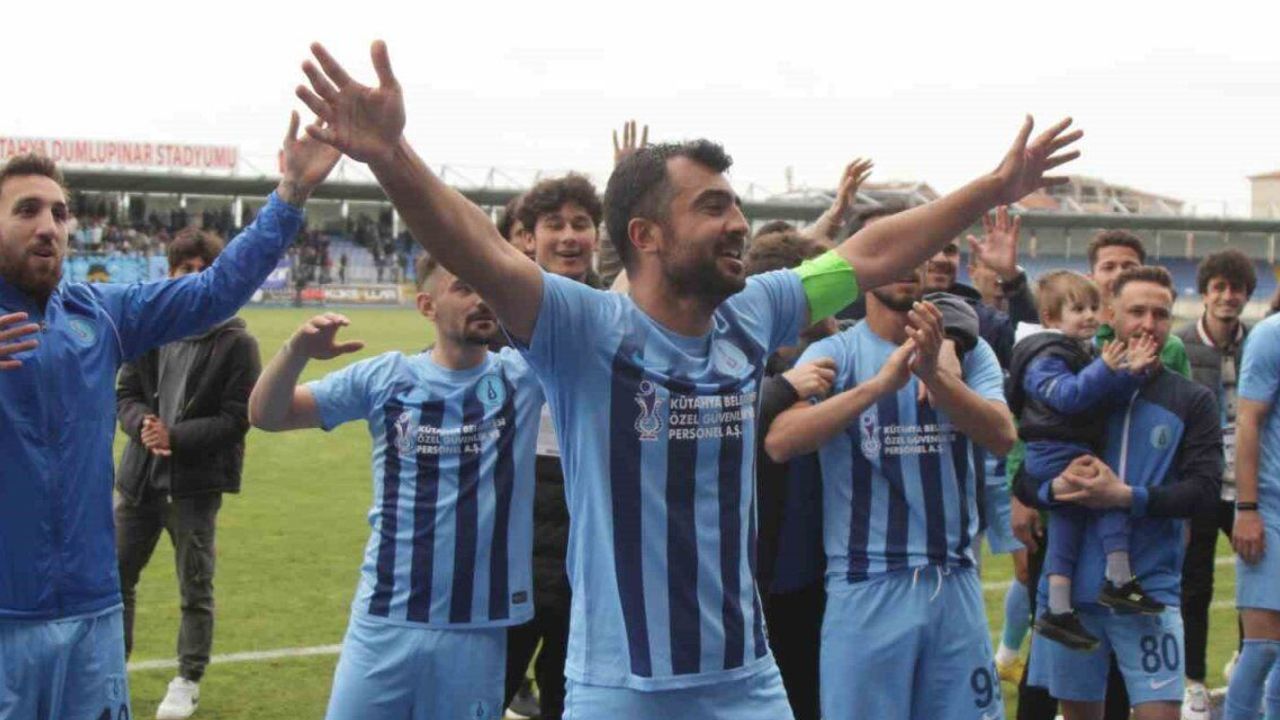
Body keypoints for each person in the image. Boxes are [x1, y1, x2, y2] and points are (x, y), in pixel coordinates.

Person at [294, 39, 1081, 718]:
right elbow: (480, 250)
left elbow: (870, 252)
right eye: (712, 207)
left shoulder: (753, 311)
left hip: (746, 679)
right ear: (646, 235)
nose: (738, 223)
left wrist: (992, 187)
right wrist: (391, 154)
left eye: (736, 206)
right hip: (619, 688)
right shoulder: (584, 330)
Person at [0, 112, 337, 720]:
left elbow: (214, 290)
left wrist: (290, 194)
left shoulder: (100, 313)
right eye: (27, 210)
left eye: (59, 213)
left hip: (92, 611)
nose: (48, 225)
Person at [249, 255, 545, 720]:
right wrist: (296, 351)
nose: (481, 298)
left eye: (486, 285)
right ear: (427, 306)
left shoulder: (521, 377)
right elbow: (267, 415)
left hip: (478, 625)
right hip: (385, 620)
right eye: (464, 287)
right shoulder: (387, 378)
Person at [765, 260, 1016, 720]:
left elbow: (1002, 436)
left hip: (954, 579)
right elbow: (781, 441)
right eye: (896, 256)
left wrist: (937, 377)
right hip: (866, 582)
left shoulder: (967, 350)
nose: (908, 266)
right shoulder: (836, 351)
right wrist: (879, 386)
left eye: (918, 256)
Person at [1021, 267, 1222, 720]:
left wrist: (1126, 496)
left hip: (1148, 588)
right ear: (1110, 314)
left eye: (1161, 314)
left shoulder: (1191, 399)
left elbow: (1205, 491)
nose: (1148, 324)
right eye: (1137, 312)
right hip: (1072, 595)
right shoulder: (1077, 383)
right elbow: (1026, 475)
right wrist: (1054, 488)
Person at [114, 229, 262, 720]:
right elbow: (126, 393)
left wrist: (174, 436)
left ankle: (187, 679)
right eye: (185, 270)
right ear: (170, 274)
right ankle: (111, 669)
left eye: (204, 271)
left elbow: (237, 418)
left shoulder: (237, 343)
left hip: (195, 488)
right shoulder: (150, 330)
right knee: (115, 579)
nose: (194, 278)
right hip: (139, 481)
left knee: (195, 586)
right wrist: (144, 426)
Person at [1007, 271, 1160, 653]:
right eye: (1078, 309)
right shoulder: (1044, 355)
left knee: (1067, 527)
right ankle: (1119, 579)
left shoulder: (1080, 351)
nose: (1090, 316)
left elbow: (1103, 397)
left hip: (1062, 449)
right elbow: (1069, 397)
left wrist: (1132, 373)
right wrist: (1106, 368)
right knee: (1108, 499)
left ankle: (1058, 609)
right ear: (1050, 317)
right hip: (1054, 451)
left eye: (1094, 307)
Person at [501, 174, 604, 720]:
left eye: (580, 224)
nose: (568, 236)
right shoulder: (494, 313)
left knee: (571, 695)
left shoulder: (618, 315)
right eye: (554, 224)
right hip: (513, 530)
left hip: (589, 529)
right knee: (488, 684)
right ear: (527, 238)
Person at [746, 229, 839, 720]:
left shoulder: (839, 351)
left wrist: (955, 335)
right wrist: (783, 388)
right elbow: (715, 405)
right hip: (757, 580)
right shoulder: (735, 351)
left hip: (821, 578)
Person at [1176, 249, 1255, 719]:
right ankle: (1193, 681)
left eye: (1236, 288)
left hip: (1248, 486)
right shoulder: (1181, 346)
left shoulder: (1260, 342)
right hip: (1201, 485)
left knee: (1257, 582)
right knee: (1194, 585)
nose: (1228, 296)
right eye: (1219, 287)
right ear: (1204, 293)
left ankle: (1247, 664)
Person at [1224, 300, 1280, 720]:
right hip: (1271, 509)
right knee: (1263, 646)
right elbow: (1247, 422)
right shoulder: (1271, 335)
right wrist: (1246, 509)